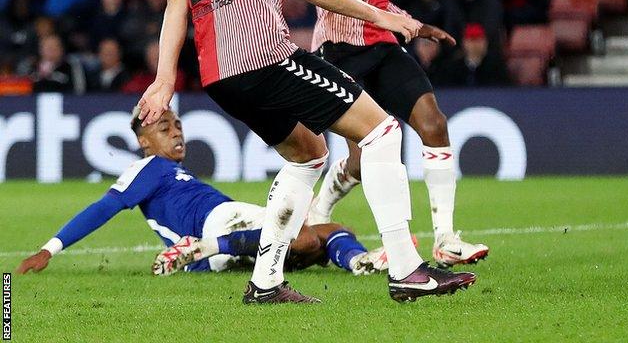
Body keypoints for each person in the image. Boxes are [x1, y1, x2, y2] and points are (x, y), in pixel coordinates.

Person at [135, 0, 474, 304]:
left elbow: (176, 1)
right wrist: (382, 16)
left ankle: (266, 282)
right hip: (263, 55)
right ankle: (407, 269)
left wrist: (166, 76)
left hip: (219, 75)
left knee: (309, 153)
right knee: (382, 132)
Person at [304, 0, 490, 267]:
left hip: (383, 47)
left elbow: (379, 1)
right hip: (339, 52)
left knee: (433, 123)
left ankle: (445, 238)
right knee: (361, 156)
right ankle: (321, 215)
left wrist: (418, 26)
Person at [15, 108, 385, 278]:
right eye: (164, 128)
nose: (176, 132)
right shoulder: (149, 168)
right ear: (144, 142)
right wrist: (51, 248)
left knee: (331, 236)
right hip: (217, 224)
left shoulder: (174, 173)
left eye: (177, 124)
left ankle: (358, 263)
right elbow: (104, 207)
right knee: (306, 239)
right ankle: (207, 248)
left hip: (218, 242)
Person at [433, 23, 512, 87]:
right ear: (464, 43)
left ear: (485, 42)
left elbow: (505, 89)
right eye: (472, 40)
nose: (475, 45)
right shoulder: (452, 68)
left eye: (479, 40)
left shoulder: (496, 67)